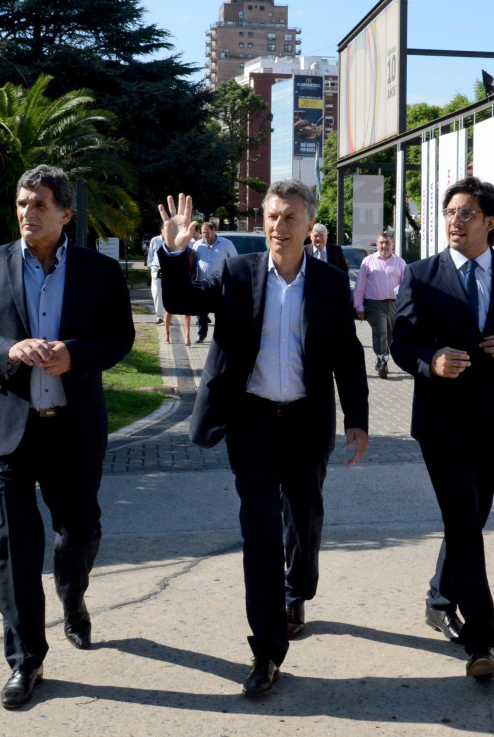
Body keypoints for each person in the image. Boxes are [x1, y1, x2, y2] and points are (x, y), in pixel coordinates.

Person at [157, 180, 370, 697]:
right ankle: (267, 650)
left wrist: (357, 420)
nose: (278, 226)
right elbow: (184, 296)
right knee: (259, 534)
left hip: (305, 422)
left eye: (289, 217)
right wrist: (174, 251)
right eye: (271, 216)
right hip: (251, 422)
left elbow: (347, 353)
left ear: (309, 226)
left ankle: (299, 589)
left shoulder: (328, 283)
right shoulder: (237, 272)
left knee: (305, 515)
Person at [0, 165, 134, 710]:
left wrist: (74, 354)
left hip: (73, 431)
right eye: (21, 203)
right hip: (9, 433)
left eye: (39, 205)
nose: (27, 213)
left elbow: (119, 338)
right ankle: (26, 660)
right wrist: (7, 351)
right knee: (13, 548)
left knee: (78, 533)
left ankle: (72, 596)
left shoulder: (99, 273)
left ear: (65, 213)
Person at [391, 176, 494, 682]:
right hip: (440, 422)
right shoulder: (421, 274)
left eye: (465, 213)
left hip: (493, 419)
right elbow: (402, 342)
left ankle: (440, 597)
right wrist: (429, 360)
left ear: (488, 222)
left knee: (470, 521)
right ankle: (481, 639)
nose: (454, 221)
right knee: (463, 522)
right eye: (449, 213)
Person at [353, 233, 406, 380]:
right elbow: (360, 286)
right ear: (377, 245)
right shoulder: (368, 261)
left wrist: (406, 305)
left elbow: (406, 286)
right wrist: (359, 307)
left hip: (394, 304)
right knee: (381, 331)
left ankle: (383, 357)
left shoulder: (400, 263)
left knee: (390, 335)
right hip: (375, 304)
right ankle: (382, 360)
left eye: (387, 243)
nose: (384, 246)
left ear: (392, 245)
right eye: (381, 243)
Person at [191, 220, 238, 344]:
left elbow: (234, 260)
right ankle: (201, 335)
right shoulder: (197, 245)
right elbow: (193, 261)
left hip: (220, 284)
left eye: (207, 232)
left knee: (220, 311)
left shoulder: (226, 244)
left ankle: (220, 336)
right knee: (201, 311)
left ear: (213, 230)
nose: (205, 235)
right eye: (202, 233)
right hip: (202, 283)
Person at [147, 229, 165, 324]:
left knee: (167, 294)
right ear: (162, 230)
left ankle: (168, 316)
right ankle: (159, 317)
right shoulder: (155, 240)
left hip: (168, 271)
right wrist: (151, 266)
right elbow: (150, 255)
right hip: (156, 270)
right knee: (157, 293)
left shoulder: (173, 240)